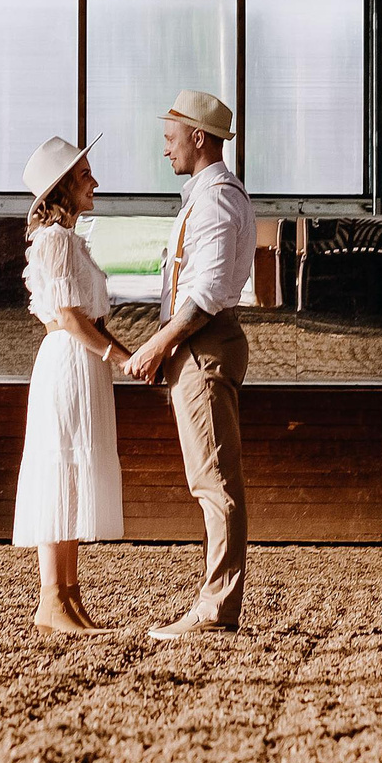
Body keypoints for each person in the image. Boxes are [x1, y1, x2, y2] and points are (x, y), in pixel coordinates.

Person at [122, 89, 256, 641]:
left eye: (171, 138)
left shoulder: (218, 199)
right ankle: (214, 600)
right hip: (198, 345)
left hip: (204, 345)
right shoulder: (206, 196)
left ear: (199, 138)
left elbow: (205, 293)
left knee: (214, 479)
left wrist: (158, 345)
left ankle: (217, 605)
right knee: (209, 477)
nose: (165, 150)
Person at [11, 134, 133, 634]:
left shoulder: (70, 240)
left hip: (84, 364)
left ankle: (69, 596)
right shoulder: (55, 242)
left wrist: (118, 353)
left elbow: (90, 318)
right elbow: (66, 316)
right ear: (62, 187)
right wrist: (120, 358)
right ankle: (51, 598)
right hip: (68, 363)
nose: (95, 183)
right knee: (59, 468)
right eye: (85, 176)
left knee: (75, 474)